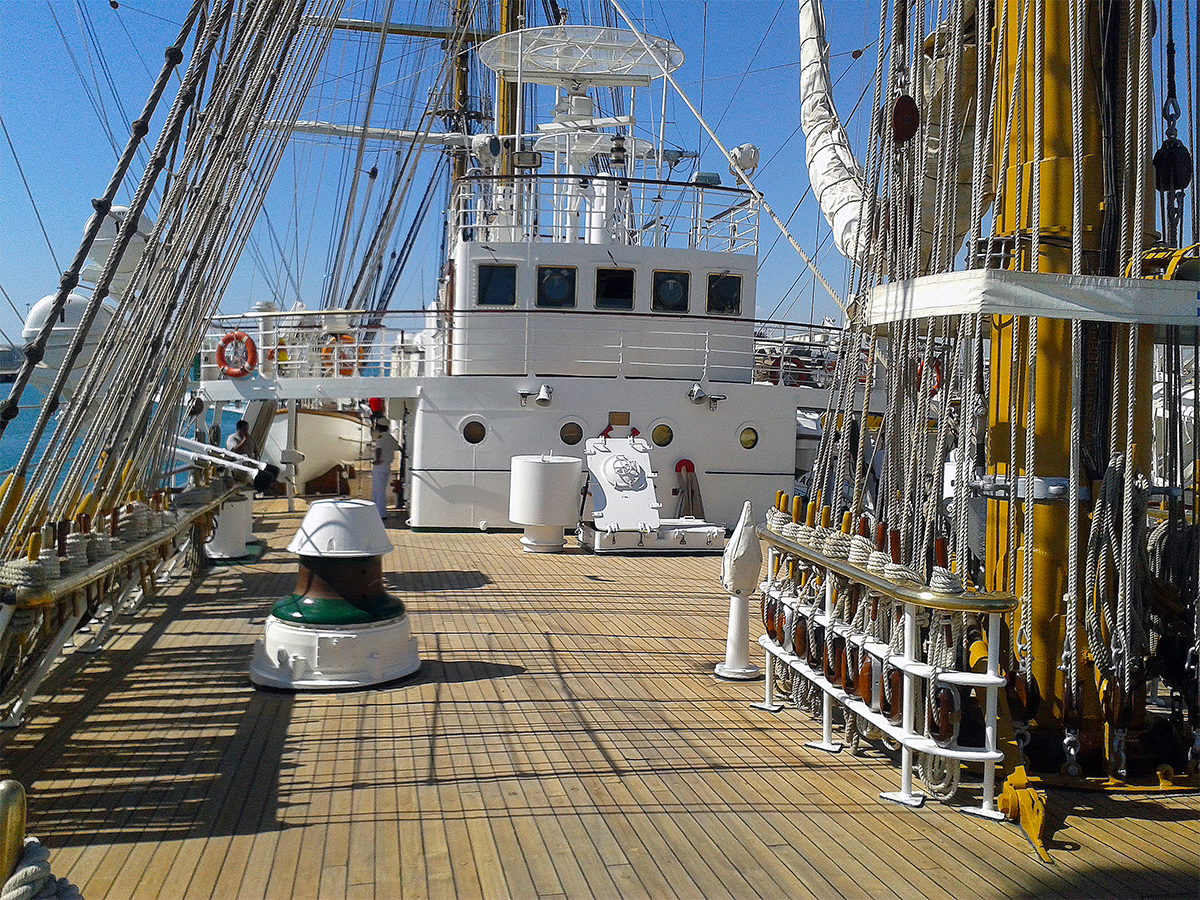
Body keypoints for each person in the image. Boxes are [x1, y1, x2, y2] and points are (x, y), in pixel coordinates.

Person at [372, 419, 400, 519]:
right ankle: (379, 512)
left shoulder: (381, 438)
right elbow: (398, 447)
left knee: (377, 489)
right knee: (381, 489)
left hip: (380, 465)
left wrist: (378, 460)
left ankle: (379, 513)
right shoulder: (390, 438)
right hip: (387, 465)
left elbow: (379, 449)